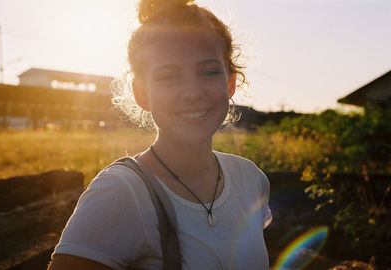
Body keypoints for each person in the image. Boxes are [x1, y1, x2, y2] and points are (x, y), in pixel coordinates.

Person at [48, 0, 272, 269]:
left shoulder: (250, 179)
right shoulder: (121, 193)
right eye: (169, 76)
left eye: (209, 71)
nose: (192, 92)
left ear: (230, 82)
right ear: (141, 93)